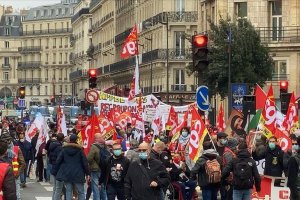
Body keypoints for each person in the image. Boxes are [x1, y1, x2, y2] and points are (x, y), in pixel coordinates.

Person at [53, 134, 90, 200]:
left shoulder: (64, 149)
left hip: (67, 173)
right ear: (76, 140)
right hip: (78, 173)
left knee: (68, 191)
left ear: (69, 140)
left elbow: (58, 161)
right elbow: (85, 163)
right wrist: (87, 173)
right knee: (81, 191)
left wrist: (55, 172)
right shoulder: (80, 150)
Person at [87, 133, 107, 200]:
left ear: (96, 139)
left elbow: (89, 159)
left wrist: (93, 164)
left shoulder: (94, 147)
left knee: (95, 188)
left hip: (96, 170)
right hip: (104, 169)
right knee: (103, 187)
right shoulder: (105, 146)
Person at [49, 133, 64, 200]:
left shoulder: (52, 145)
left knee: (56, 187)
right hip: (59, 168)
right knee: (58, 188)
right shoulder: (60, 148)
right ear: (62, 139)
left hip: (53, 166)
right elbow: (60, 159)